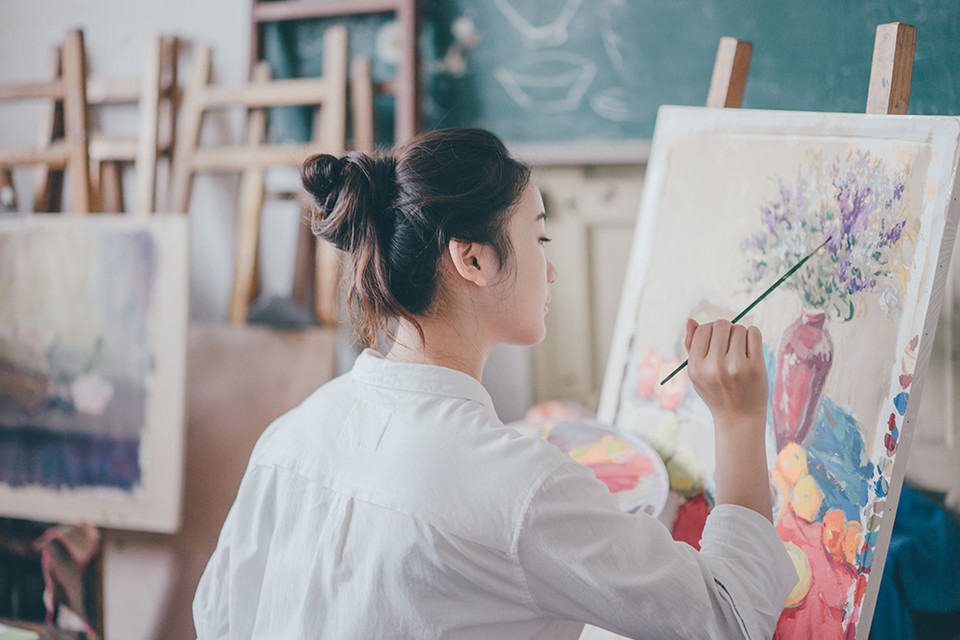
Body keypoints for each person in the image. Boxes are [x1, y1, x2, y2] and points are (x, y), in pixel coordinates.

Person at [193, 128, 796, 639]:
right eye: (540, 238)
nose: (552, 267)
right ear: (472, 260)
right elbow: (729, 616)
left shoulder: (291, 434)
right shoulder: (521, 488)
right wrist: (740, 420)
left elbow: (217, 614)